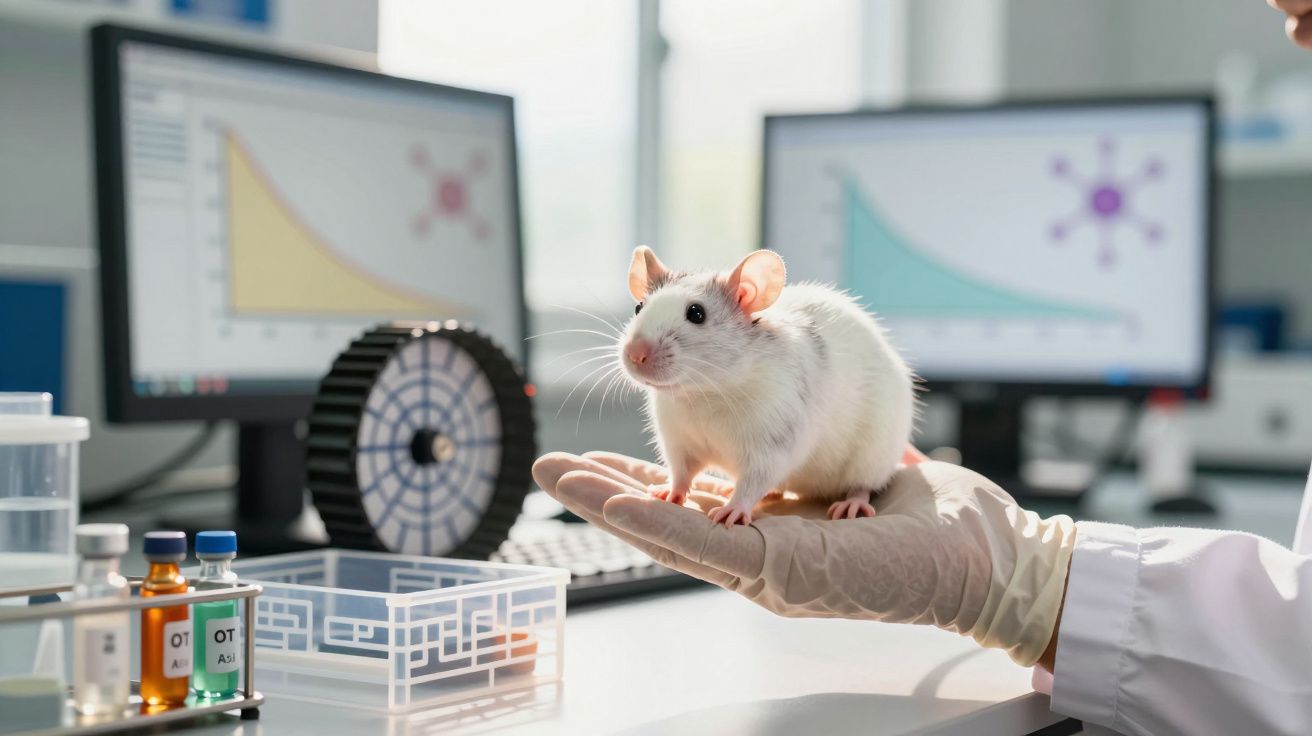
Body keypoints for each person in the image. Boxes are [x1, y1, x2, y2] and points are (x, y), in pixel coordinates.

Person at [535, 10, 1312, 734]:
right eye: (642, 322)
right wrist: (682, 481)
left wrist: (1022, 582)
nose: (639, 347)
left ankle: (865, 485)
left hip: (851, 453)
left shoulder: (781, 360)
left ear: (752, 305)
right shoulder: (681, 378)